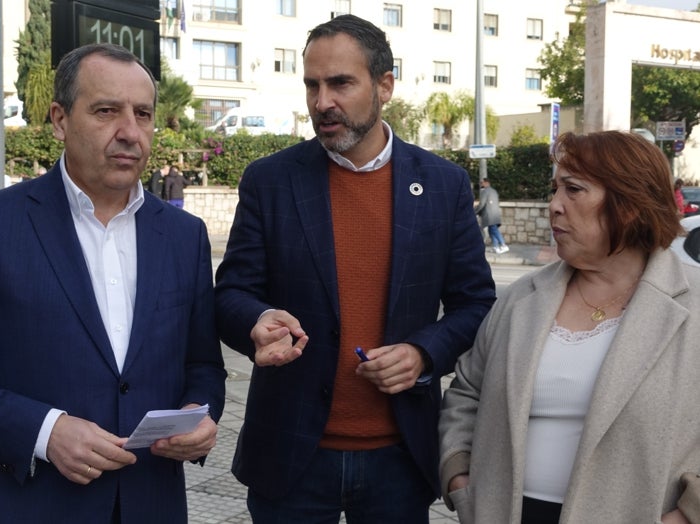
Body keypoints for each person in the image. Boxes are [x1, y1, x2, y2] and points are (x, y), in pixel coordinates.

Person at [215, 14, 496, 523]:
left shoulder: (443, 184)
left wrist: (422, 353)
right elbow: (231, 291)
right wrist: (255, 321)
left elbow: (475, 304)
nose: (323, 102)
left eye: (341, 83)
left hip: (400, 459)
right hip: (290, 455)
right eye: (312, 85)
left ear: (384, 85)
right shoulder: (270, 180)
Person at [0, 43, 226, 523]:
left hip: (151, 503)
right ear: (59, 119)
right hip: (28, 506)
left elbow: (202, 362)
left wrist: (200, 415)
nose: (130, 132)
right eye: (106, 111)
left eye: (143, 114)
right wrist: (44, 432)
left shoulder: (185, 235)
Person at [439, 130, 700, 524]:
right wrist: (461, 479)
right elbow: (467, 392)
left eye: (573, 190)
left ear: (630, 202)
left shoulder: (691, 305)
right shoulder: (522, 298)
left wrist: (686, 515)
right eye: (554, 189)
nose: (554, 206)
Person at [475, 177, 509, 253]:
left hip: (489, 215)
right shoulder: (494, 191)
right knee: (491, 230)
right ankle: (496, 247)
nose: (481, 184)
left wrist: (475, 212)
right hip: (495, 214)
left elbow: (482, 204)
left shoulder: (485, 192)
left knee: (494, 230)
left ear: (487, 183)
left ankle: (504, 245)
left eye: (482, 182)